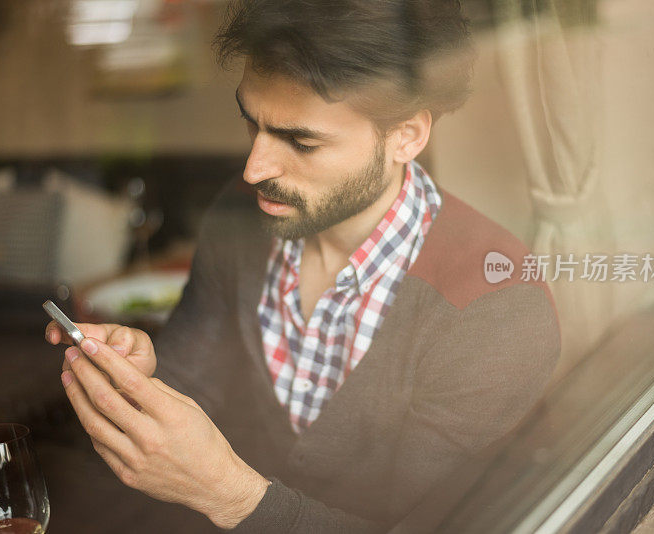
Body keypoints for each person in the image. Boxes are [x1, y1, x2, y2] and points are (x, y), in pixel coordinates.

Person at [45, 0, 560, 531]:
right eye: (252, 124)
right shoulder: (238, 220)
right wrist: (148, 375)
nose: (253, 169)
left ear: (406, 136)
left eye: (302, 141)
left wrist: (230, 494)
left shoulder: (494, 312)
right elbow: (197, 389)